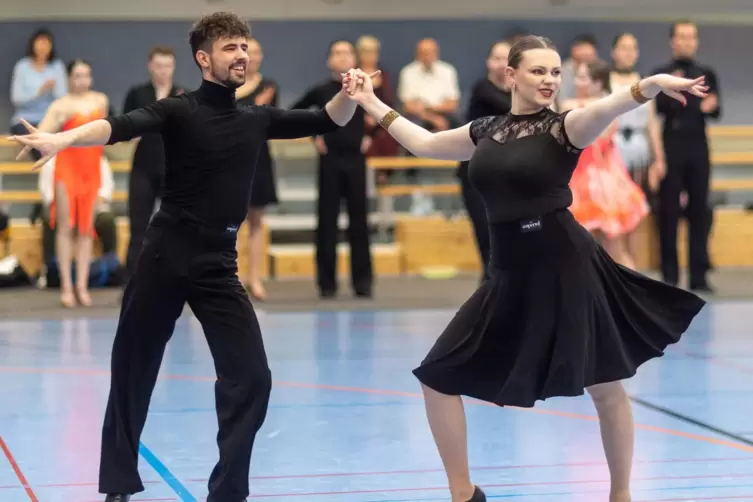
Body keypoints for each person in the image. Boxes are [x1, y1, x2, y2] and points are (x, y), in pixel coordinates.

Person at [10, 12, 363, 502]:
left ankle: (227, 492)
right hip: (166, 255)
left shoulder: (256, 118)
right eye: (229, 48)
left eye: (245, 46)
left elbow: (329, 118)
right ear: (204, 58)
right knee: (132, 368)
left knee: (253, 378)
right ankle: (117, 485)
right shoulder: (179, 110)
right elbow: (120, 125)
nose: (241, 55)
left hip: (218, 264)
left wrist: (351, 91)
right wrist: (63, 139)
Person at [343, 35, 707, 502]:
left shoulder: (567, 127)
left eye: (556, 72)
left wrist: (651, 84)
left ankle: (621, 495)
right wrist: (370, 100)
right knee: (436, 377)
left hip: (566, 266)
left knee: (604, 383)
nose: (550, 80)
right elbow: (425, 142)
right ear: (511, 75)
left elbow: (610, 106)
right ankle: (463, 493)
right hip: (508, 273)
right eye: (539, 71)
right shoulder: (484, 130)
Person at [290, 40, 374, 299]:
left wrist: (371, 133)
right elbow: (294, 114)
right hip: (330, 162)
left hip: (356, 161)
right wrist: (313, 135)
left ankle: (363, 282)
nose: (341, 57)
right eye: (336, 53)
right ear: (329, 61)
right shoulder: (320, 90)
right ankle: (326, 283)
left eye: (346, 52)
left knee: (359, 222)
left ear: (354, 58)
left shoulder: (364, 88)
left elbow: (384, 114)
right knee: (327, 222)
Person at [33, 59, 109, 307]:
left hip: (92, 169)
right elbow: (42, 136)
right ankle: (66, 286)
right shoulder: (60, 106)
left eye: (86, 75)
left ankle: (82, 285)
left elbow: (104, 132)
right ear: (68, 79)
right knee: (66, 227)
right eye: (77, 75)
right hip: (67, 169)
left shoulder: (100, 101)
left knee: (86, 229)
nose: (82, 80)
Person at [652, 20, 720, 292]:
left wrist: (708, 106)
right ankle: (669, 275)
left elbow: (715, 109)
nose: (686, 41)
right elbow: (660, 107)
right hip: (671, 147)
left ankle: (698, 276)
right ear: (672, 40)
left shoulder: (707, 73)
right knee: (668, 212)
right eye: (681, 36)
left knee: (700, 212)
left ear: (696, 41)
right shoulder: (662, 74)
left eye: (691, 37)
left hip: (698, 147)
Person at [561, 61, 649, 270]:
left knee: (614, 246)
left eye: (583, 77)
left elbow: (598, 138)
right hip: (576, 178)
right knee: (577, 244)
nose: (578, 81)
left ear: (598, 82)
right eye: (578, 77)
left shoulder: (608, 106)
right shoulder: (568, 105)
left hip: (602, 179)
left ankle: (629, 292)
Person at [121, 46, 183, 286]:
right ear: (150, 67)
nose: (163, 71)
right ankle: (133, 282)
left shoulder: (182, 95)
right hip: (144, 167)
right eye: (159, 66)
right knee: (138, 226)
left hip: (173, 168)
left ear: (173, 67)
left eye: (168, 66)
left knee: (176, 227)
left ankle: (175, 280)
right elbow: (123, 126)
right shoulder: (138, 94)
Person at [458, 40, 512, 281]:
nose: (501, 64)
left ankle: (499, 291)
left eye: (507, 59)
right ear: (488, 62)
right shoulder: (483, 90)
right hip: (476, 174)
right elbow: (510, 110)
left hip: (504, 175)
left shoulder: (517, 93)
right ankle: (490, 291)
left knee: (504, 239)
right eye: (497, 58)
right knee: (487, 236)